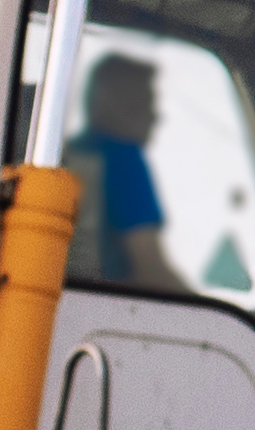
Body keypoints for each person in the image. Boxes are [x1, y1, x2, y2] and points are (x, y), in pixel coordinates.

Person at [66, 49, 189, 294]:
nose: (156, 116)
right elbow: (151, 269)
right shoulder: (122, 159)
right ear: (117, 107)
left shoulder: (71, 155)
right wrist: (212, 315)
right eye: (145, 104)